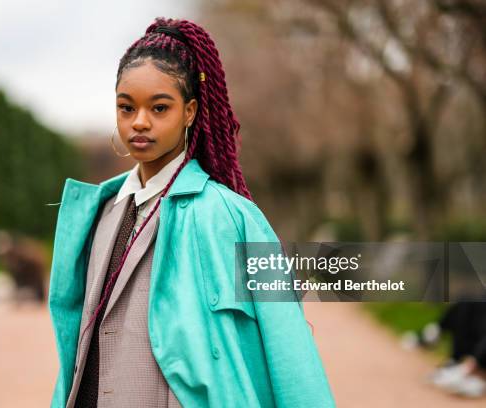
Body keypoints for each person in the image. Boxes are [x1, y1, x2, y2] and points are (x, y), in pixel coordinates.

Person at [48, 17, 335, 408]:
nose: (140, 122)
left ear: (190, 111)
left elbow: (290, 347)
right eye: (126, 107)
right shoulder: (101, 212)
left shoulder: (235, 217)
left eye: (159, 107)